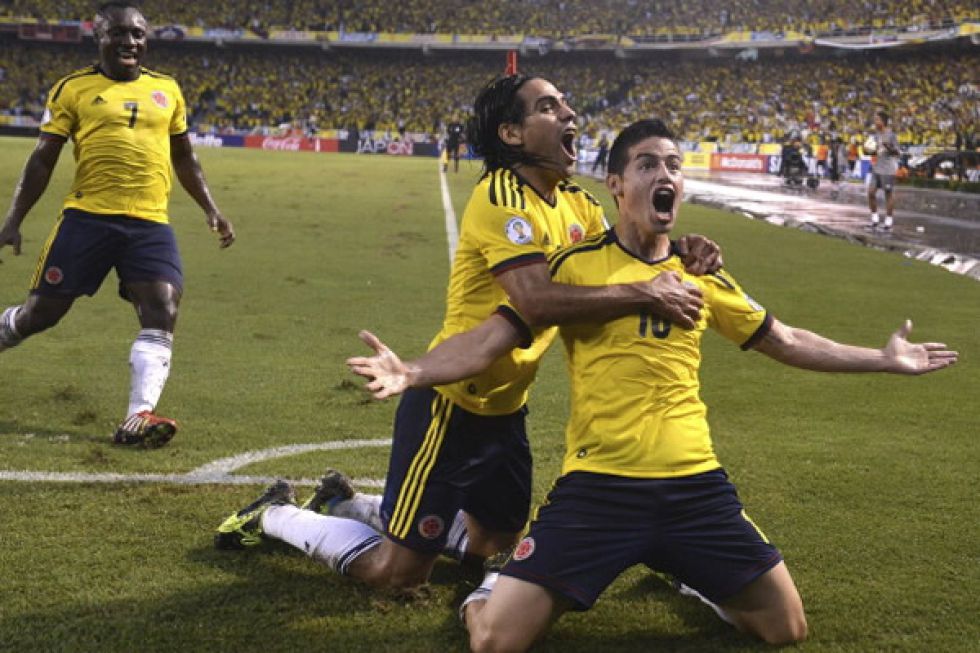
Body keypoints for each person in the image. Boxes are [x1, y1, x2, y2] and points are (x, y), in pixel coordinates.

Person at [348, 119, 958, 650]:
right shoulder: (574, 268)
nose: (664, 174)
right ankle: (487, 590)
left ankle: (687, 572)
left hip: (695, 488)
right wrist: (413, 371)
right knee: (494, 641)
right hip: (598, 489)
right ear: (616, 185)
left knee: (785, 627)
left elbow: (785, 339)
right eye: (646, 165)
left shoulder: (700, 273)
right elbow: (490, 339)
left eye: (673, 165)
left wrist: (882, 358)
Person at [214, 76, 720, 592]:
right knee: (398, 575)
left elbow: (620, 255)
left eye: (566, 104)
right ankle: (276, 514)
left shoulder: (578, 204)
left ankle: (350, 504)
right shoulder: (500, 195)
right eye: (549, 107)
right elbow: (535, 300)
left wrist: (680, 246)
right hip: (451, 402)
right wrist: (646, 293)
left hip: (507, 408)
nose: (570, 114)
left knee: (495, 541)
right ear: (512, 133)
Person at [0, 1, 235, 447]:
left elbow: (185, 156)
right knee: (40, 315)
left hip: (149, 223)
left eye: (138, 34)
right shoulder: (72, 88)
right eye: (119, 33)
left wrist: (211, 208)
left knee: (163, 308)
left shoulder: (167, 89)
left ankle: (138, 416)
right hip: (87, 218)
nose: (130, 41)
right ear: (99, 37)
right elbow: (43, 158)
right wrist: (14, 218)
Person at [866, 110, 901, 231]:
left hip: (888, 169)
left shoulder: (891, 135)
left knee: (888, 193)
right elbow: (873, 151)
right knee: (871, 192)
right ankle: (874, 218)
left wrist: (888, 147)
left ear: (883, 121)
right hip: (876, 168)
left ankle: (888, 220)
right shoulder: (876, 135)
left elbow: (897, 153)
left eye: (877, 120)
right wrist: (868, 150)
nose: (875, 122)